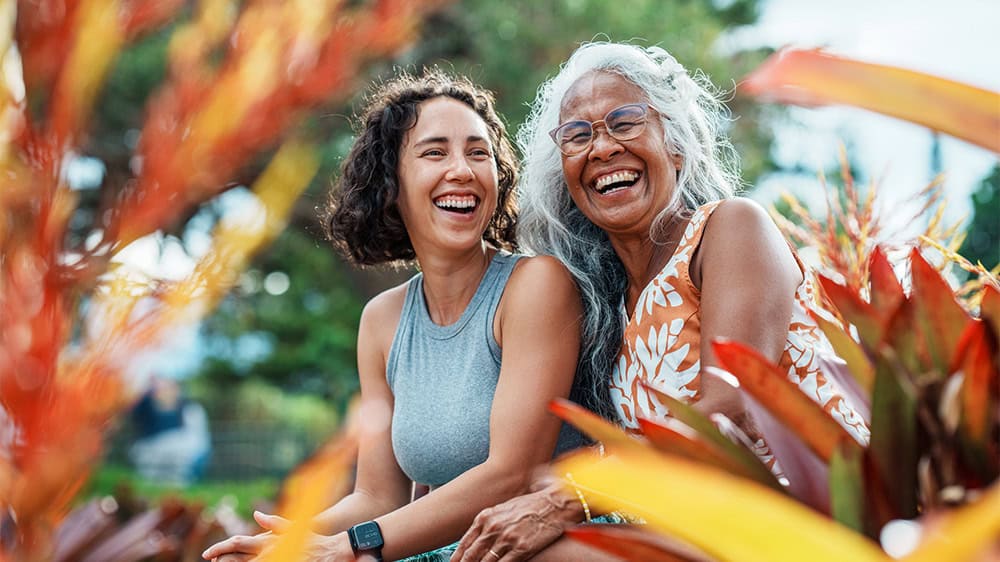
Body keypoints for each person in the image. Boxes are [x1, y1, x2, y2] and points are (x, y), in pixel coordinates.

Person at [451, 42, 870, 562]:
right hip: (699, 531)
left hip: (806, 524)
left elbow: (727, 410)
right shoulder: (607, 310)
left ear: (676, 144)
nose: (601, 148)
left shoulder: (730, 228)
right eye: (577, 136)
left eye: (625, 122)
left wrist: (566, 500)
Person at [202, 69, 590, 562]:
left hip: (548, 547)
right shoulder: (382, 321)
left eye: (479, 153)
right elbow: (378, 496)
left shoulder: (535, 285)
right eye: (434, 152)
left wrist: (349, 546)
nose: (463, 170)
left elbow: (513, 473)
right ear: (392, 183)